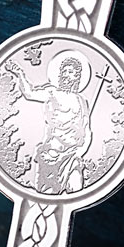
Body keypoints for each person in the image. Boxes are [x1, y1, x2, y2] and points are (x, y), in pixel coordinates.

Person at [6, 53, 92, 194]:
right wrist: (20, 74)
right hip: (51, 154)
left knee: (76, 191)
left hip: (73, 155)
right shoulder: (52, 92)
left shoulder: (81, 101)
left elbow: (86, 129)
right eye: (64, 71)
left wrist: (81, 150)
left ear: (77, 76)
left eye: (70, 72)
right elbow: (29, 93)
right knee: (46, 196)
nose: (66, 75)